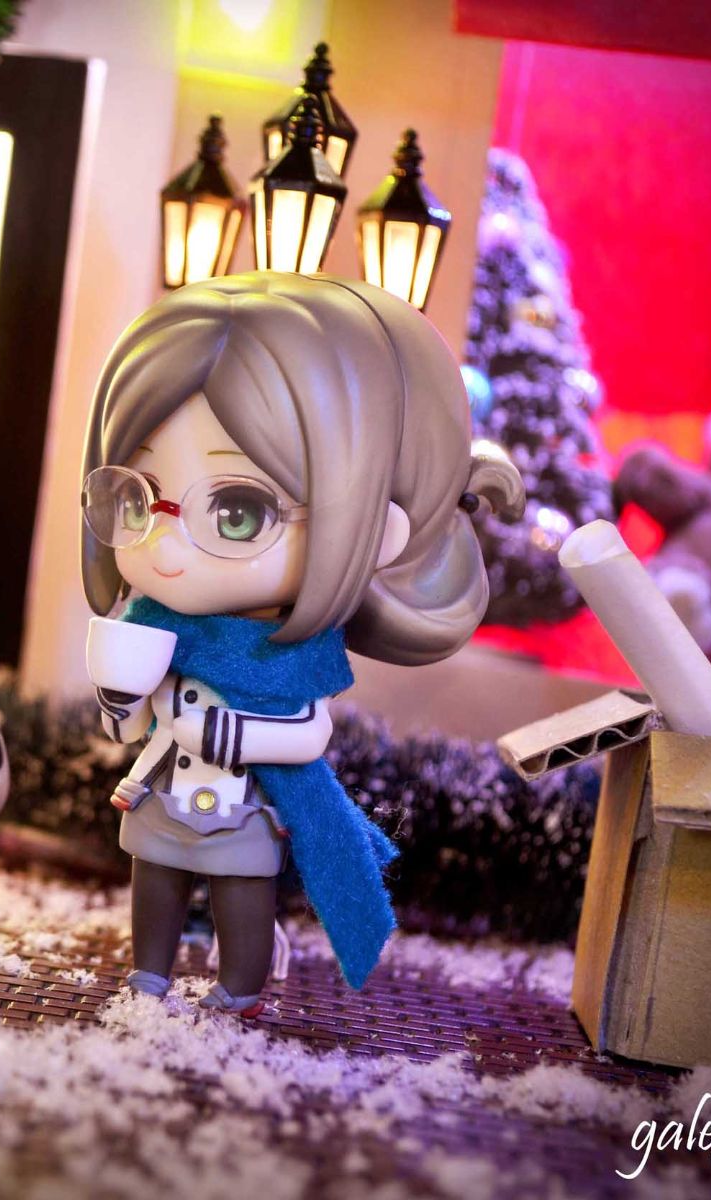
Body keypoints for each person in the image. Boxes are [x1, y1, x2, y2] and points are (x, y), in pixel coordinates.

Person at [79, 272, 521, 1013]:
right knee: (153, 880)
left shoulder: (295, 658)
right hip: (163, 796)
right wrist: (121, 703)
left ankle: (239, 986)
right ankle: (149, 972)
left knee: (240, 892)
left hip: (245, 805)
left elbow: (309, 731)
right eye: (136, 497)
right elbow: (131, 724)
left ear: (373, 529)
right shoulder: (147, 627)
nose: (164, 547)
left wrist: (229, 733)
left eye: (239, 512)